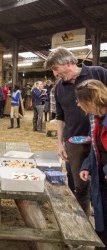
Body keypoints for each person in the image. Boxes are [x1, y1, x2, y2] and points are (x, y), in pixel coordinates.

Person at [45, 46, 107, 217]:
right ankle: (83, 222)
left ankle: (100, 215)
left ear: (68, 62)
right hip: (74, 142)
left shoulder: (99, 73)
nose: (55, 74)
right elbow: (60, 116)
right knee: (78, 185)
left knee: (101, 180)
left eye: (56, 69)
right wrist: (60, 144)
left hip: (101, 139)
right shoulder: (58, 88)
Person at [77, 79, 107, 248]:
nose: (79, 106)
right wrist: (87, 165)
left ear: (90, 102)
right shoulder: (95, 118)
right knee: (101, 218)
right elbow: (96, 147)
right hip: (101, 179)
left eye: (81, 103)